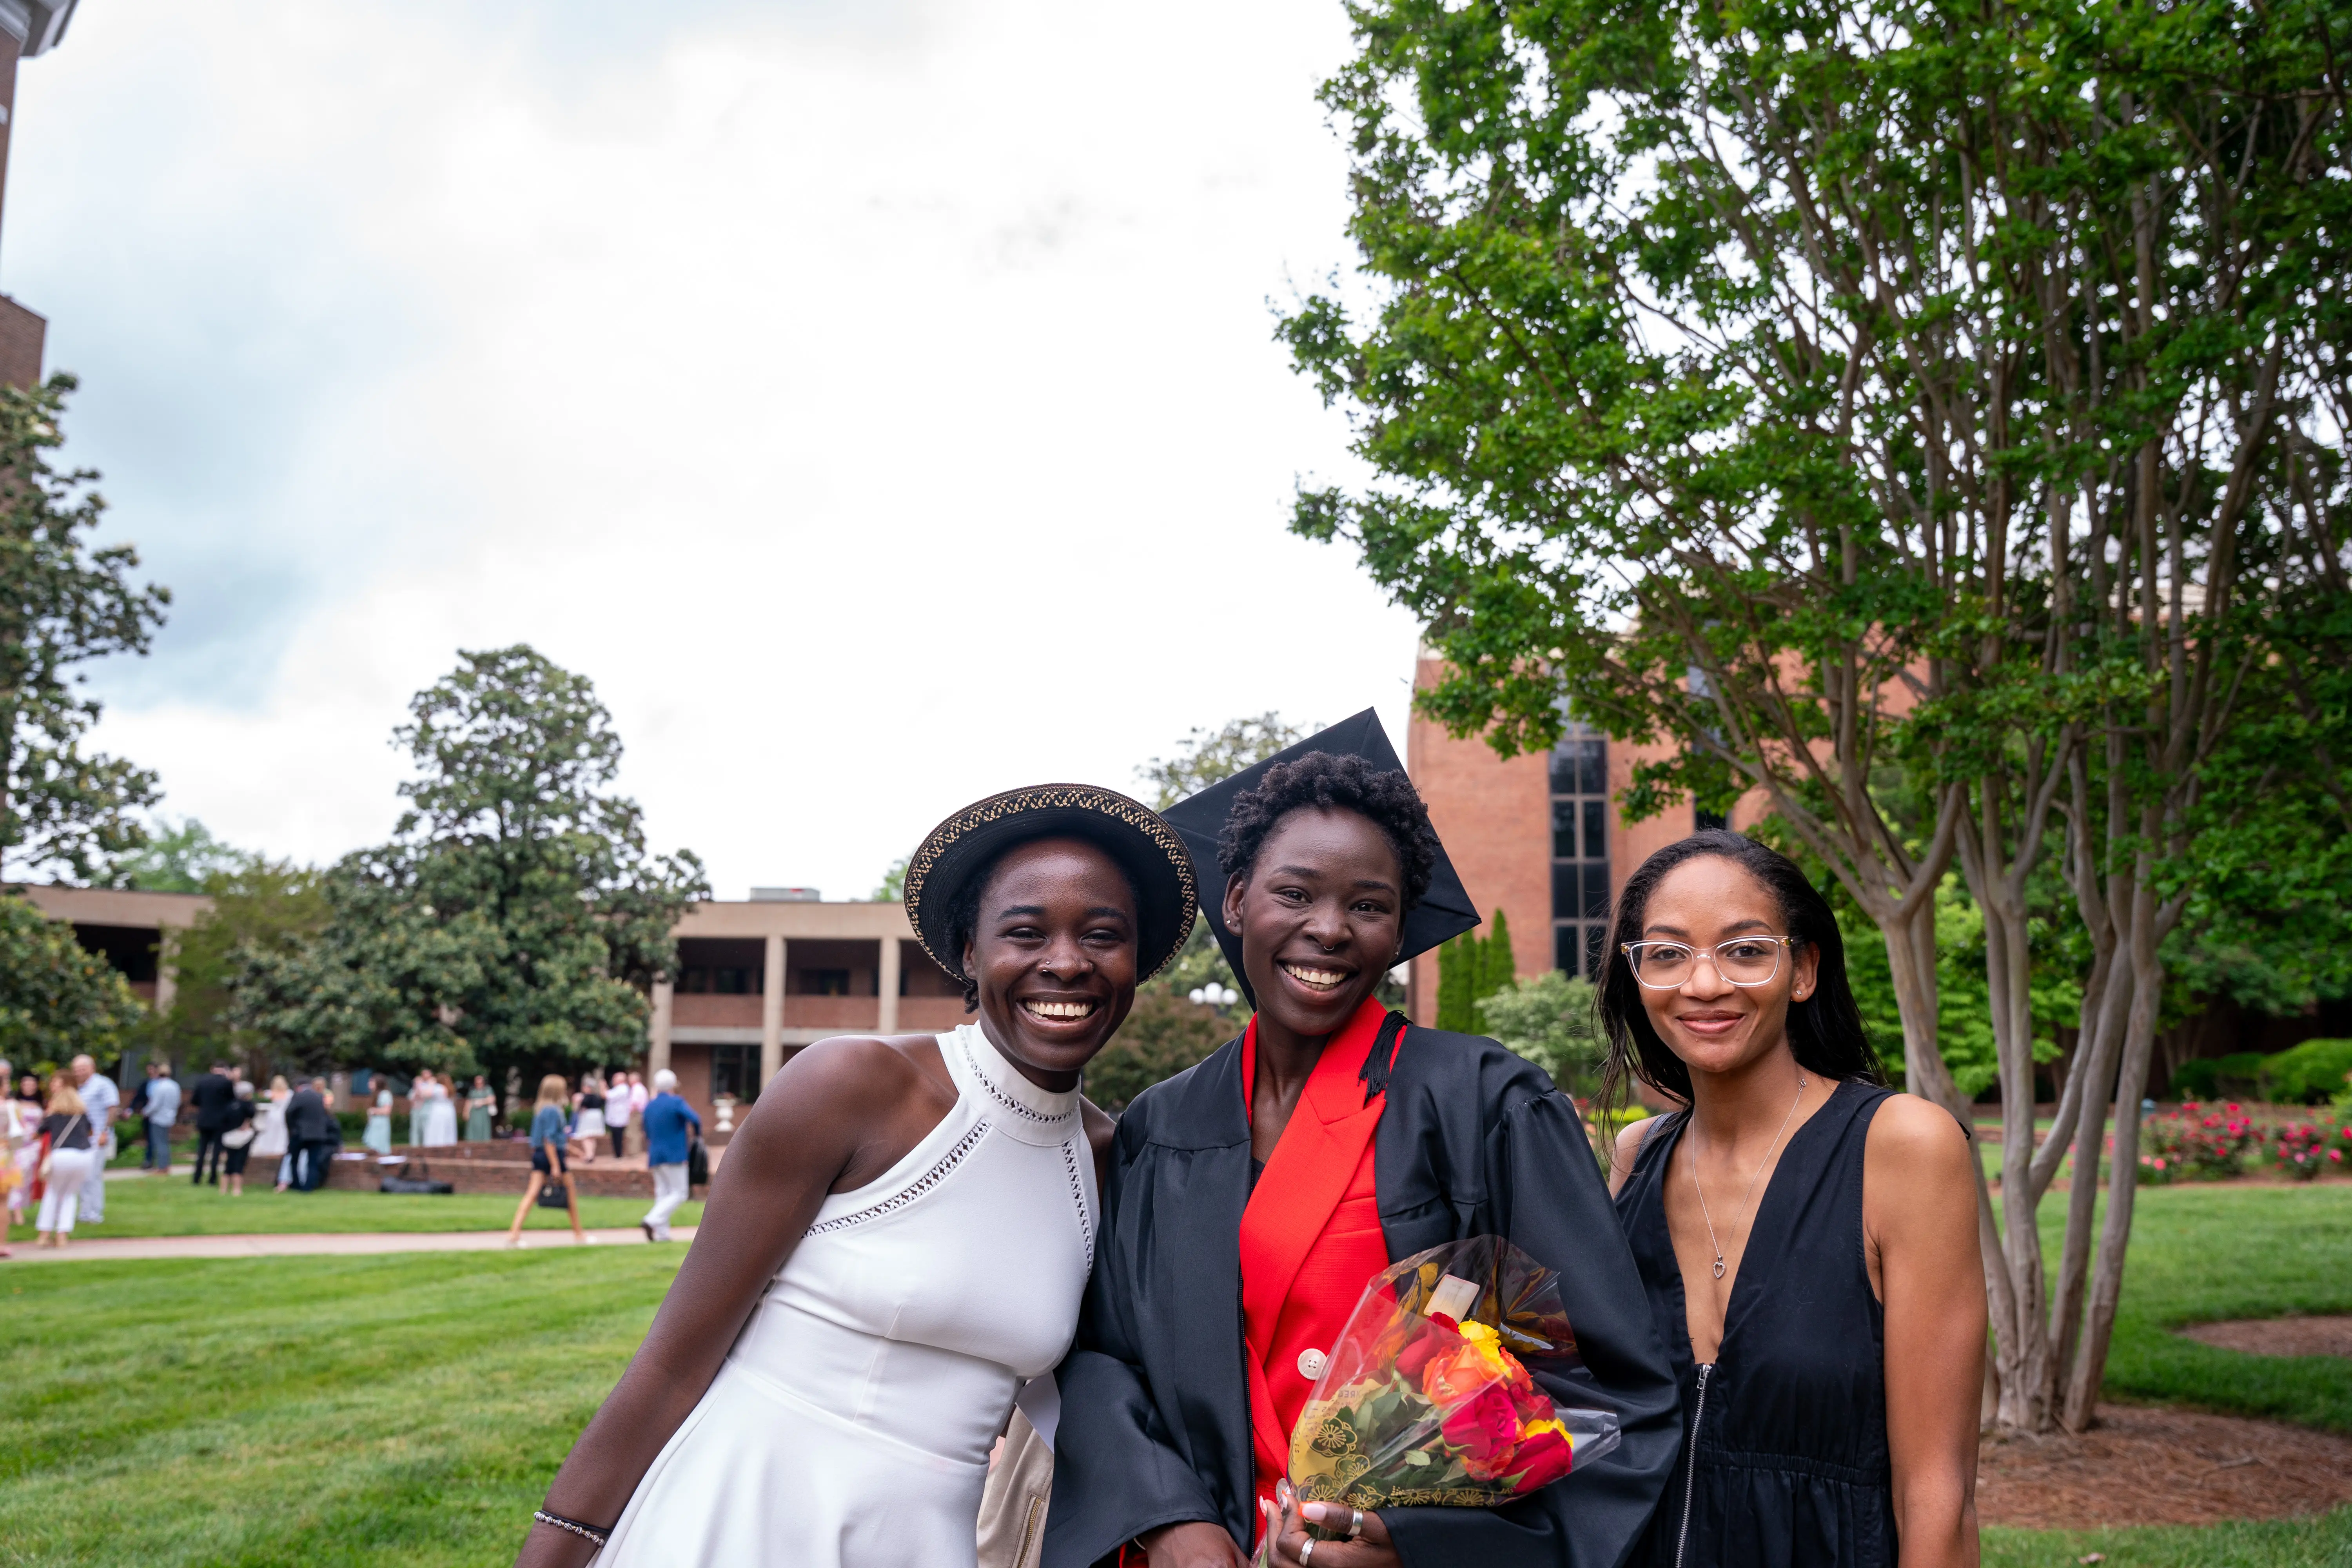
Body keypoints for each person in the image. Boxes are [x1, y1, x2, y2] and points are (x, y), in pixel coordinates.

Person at [513, 783, 1195, 1568]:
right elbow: (672, 1362)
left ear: (1134, 962)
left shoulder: (1109, 1159)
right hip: (739, 1514)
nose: (1067, 962)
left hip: (926, 1540)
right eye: (1026, 931)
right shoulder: (854, 1086)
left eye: (1103, 935)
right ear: (970, 953)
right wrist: (561, 1545)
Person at [1049, 719, 1679, 1568]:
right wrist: (1168, 1519)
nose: (1331, 928)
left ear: (1400, 924)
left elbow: (1607, 1390)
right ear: (1236, 900)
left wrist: (1419, 1543)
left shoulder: (1484, 1102)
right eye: (1296, 892)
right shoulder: (1161, 1127)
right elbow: (1105, 1357)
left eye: (1368, 905)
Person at [1604, 830, 1984, 1568]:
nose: (1704, 984)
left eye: (1745, 950)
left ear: (1802, 969)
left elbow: (1939, 1493)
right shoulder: (1636, 1159)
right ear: (1639, 975)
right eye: (1668, 953)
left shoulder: (1900, 1145)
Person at [508, 1074, 591, 1247]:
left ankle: (514, 1234)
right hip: (552, 1156)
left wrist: (577, 1153)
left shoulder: (541, 1110)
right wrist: (555, 1166)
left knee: (531, 1195)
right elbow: (550, 1140)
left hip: (541, 1155)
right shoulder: (553, 1111)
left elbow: (553, 1140)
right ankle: (579, 1235)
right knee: (570, 1195)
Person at [34, 1076, 98, 1247]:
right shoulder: (82, 1116)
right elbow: (90, 1133)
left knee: (53, 1193)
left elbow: (38, 1133)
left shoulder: (54, 1116)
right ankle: (62, 1235)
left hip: (61, 1155)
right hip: (84, 1156)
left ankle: (44, 1234)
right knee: (70, 1195)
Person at [637, 1069, 700, 1243]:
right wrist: (697, 1137)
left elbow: (646, 1130)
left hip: (655, 1154)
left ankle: (662, 1235)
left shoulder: (650, 1106)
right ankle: (651, 1220)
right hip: (675, 1154)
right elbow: (695, 1119)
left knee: (662, 1193)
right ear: (673, 1085)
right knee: (680, 1193)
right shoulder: (676, 1102)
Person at [68, 1055, 118, 1224]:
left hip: (97, 1137)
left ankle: (95, 1213)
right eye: (76, 1070)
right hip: (80, 1138)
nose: (79, 1072)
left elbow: (112, 1108)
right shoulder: (77, 1088)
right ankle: (85, 1212)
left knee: (93, 1175)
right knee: (82, 1176)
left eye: (82, 1069)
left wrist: (105, 1132)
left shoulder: (103, 1084)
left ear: (92, 1068)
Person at [285, 1077, 340, 1192]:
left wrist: (292, 1128)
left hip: (300, 1133)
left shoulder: (298, 1096)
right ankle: (309, 1186)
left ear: (300, 1087)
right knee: (313, 1162)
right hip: (318, 1135)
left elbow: (289, 1113)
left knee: (295, 1160)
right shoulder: (320, 1097)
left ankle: (296, 1184)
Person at [189, 1062, 238, 1185]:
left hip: (204, 1119)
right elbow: (232, 1102)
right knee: (216, 1151)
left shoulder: (202, 1081)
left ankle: (197, 1177)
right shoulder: (226, 1083)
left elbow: (195, 1100)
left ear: (213, 1069)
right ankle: (213, 1178)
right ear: (225, 1070)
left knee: (202, 1150)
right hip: (220, 1121)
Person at [218, 1080, 260, 1196]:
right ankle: (237, 1189)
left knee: (228, 1164)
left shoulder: (229, 1105)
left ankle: (223, 1189)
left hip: (228, 1137)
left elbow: (223, 1122)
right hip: (243, 1137)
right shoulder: (248, 1105)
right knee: (239, 1163)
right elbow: (252, 1115)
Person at [252, 1076, 292, 1192]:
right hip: (283, 1117)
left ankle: (269, 1148)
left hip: (271, 1117)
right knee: (282, 1134)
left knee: (270, 1134)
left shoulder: (269, 1094)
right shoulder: (289, 1094)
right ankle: (280, 1148)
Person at [141, 1061, 182, 1174]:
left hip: (159, 1118)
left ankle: (162, 1167)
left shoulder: (159, 1087)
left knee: (160, 1143)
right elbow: (178, 1102)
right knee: (165, 1142)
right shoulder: (175, 1086)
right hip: (170, 1116)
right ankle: (166, 1165)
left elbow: (155, 1104)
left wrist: (145, 1112)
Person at [570, 1074, 607, 1165]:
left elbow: (580, 1107)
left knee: (586, 1136)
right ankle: (591, 1154)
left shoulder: (586, 1097)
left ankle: (589, 1155)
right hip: (598, 1116)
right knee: (592, 1137)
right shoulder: (597, 1097)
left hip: (588, 1117)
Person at [420, 1071, 460, 1147]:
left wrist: (431, 1084)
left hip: (439, 1111)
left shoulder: (439, 1088)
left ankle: (436, 1144)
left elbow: (426, 1094)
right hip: (449, 1110)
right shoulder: (450, 1088)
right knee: (448, 1129)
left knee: (438, 1129)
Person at [604, 1069, 633, 1161]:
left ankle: (619, 1154)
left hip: (618, 1117)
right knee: (616, 1136)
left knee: (618, 1136)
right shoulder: (619, 1088)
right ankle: (617, 1153)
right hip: (616, 1117)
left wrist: (603, 1087)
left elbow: (608, 1096)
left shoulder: (623, 1089)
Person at [363, 1076, 394, 1155]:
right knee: (373, 1145)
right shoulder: (376, 1095)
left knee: (379, 1144)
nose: (369, 1084)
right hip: (375, 1123)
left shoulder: (385, 1094)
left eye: (372, 1082)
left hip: (381, 1123)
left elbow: (387, 1111)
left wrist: (373, 1111)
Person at [465, 1074, 497, 1143]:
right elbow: (469, 1102)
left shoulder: (488, 1090)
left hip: (483, 1113)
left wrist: (481, 1102)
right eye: (477, 1083)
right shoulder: (473, 1091)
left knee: (484, 1128)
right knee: (473, 1128)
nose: (479, 1085)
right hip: (474, 1114)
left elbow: (492, 1099)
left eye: (480, 1083)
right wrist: (466, 1112)